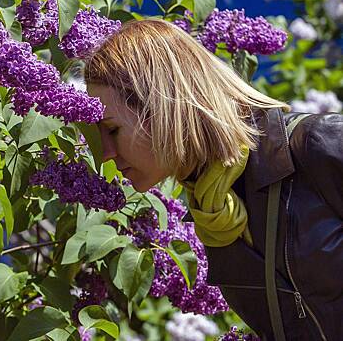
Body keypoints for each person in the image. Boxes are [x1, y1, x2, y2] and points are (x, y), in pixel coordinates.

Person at [83, 18, 342, 341]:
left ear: (162, 105)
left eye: (112, 129)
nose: (105, 152)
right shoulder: (212, 213)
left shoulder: (319, 145)